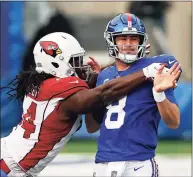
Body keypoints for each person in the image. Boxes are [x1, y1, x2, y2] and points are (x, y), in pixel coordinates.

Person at [0, 32, 170, 177]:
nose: (80, 66)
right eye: (74, 60)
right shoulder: (62, 91)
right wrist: (144, 71)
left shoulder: (44, 84)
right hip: (9, 167)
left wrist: (127, 59)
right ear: (56, 62)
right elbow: (104, 93)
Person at [86, 13, 182, 176]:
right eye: (123, 38)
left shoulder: (157, 68)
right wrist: (91, 92)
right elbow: (92, 126)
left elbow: (174, 122)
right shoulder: (104, 75)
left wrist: (159, 94)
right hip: (103, 161)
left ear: (142, 41)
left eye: (134, 38)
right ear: (112, 40)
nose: (128, 44)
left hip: (139, 163)